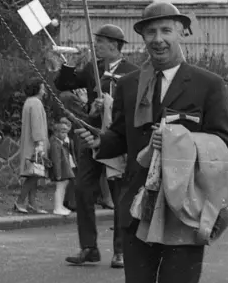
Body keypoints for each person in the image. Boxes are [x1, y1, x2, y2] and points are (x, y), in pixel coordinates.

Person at [75, 2, 228, 283]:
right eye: (150, 32)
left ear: (182, 31)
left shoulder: (208, 85)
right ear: (142, 38)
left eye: (166, 30)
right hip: (138, 205)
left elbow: (226, 146)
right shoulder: (131, 84)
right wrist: (98, 140)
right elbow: (118, 139)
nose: (158, 39)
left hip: (183, 205)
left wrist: (181, 142)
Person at [55, 24, 141, 269]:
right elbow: (64, 83)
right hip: (91, 136)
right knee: (83, 188)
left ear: (113, 45)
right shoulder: (94, 69)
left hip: (117, 139)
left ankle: (120, 250)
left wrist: (111, 107)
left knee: (119, 195)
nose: (96, 47)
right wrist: (70, 63)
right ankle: (89, 247)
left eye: (100, 43)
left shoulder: (133, 72)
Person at [15, 79, 50, 213]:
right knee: (33, 175)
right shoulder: (35, 103)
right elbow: (36, 124)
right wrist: (39, 143)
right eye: (42, 88)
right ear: (37, 89)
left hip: (31, 143)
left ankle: (32, 203)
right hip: (35, 144)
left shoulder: (29, 102)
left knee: (34, 173)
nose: (44, 90)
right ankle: (20, 201)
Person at [49, 116, 76, 216]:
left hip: (64, 170)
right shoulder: (56, 144)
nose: (65, 135)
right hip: (61, 171)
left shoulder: (61, 142)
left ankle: (60, 206)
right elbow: (56, 161)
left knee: (63, 188)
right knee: (60, 188)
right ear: (56, 132)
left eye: (66, 132)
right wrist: (58, 174)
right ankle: (57, 207)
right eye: (62, 132)